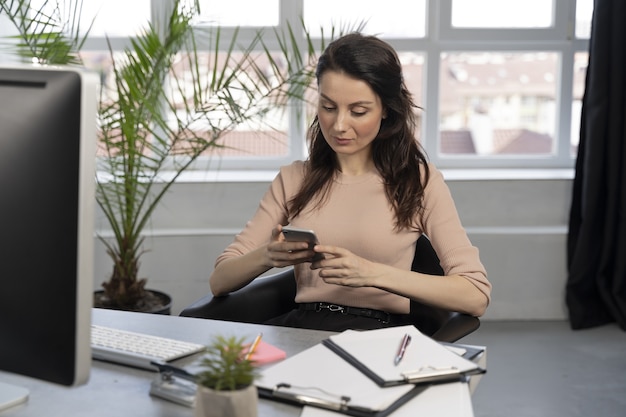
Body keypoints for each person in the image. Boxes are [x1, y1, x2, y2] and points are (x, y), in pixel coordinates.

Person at [209, 33, 491, 332]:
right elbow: (220, 280)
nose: (339, 125)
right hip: (303, 330)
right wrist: (267, 255)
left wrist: (371, 273)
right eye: (329, 107)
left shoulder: (419, 182)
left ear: (386, 110)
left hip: (379, 336)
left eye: (358, 111)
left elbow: (475, 296)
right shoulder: (293, 179)